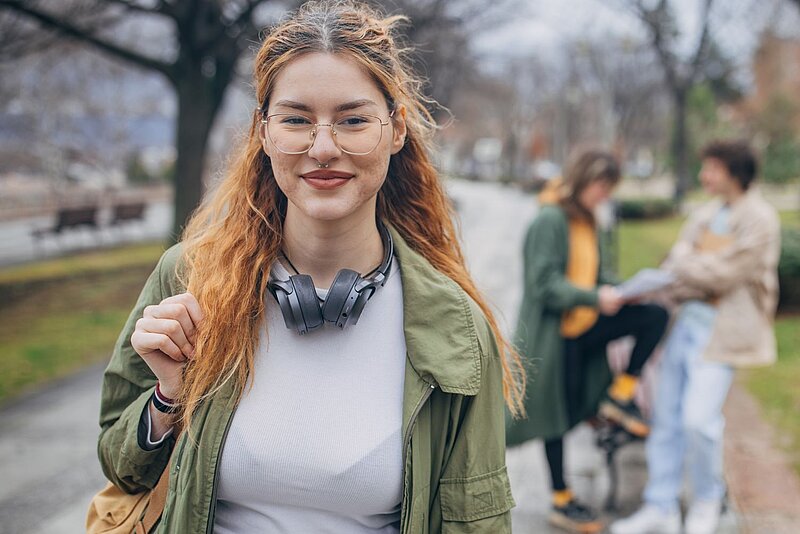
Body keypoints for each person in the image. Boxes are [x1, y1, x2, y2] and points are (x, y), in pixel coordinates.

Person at [95, 2, 526, 532]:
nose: (324, 148)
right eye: (296, 119)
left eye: (353, 120)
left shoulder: (456, 329)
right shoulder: (190, 280)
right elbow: (121, 468)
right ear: (264, 132)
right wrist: (169, 399)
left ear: (395, 130)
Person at [611, 140, 781, 534]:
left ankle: (708, 500)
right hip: (685, 329)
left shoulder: (761, 219)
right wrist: (697, 267)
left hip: (721, 336)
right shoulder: (707, 213)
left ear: (734, 173)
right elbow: (676, 264)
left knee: (699, 421)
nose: (704, 176)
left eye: (712, 169)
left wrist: (691, 265)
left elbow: (725, 274)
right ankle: (661, 506)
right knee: (667, 419)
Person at [506, 149, 669, 534]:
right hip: (554, 335)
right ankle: (561, 499)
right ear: (582, 180)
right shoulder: (550, 219)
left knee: (654, 316)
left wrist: (620, 290)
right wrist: (596, 297)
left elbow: (593, 272)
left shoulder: (589, 220)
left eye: (609, 188)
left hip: (584, 326)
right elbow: (542, 284)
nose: (604, 194)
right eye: (601, 186)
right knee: (555, 418)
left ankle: (620, 396)